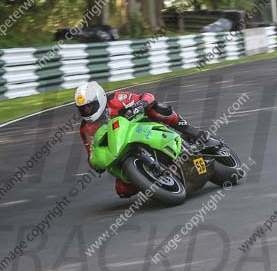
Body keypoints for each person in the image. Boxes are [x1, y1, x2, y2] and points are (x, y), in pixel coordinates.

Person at [74, 81, 206, 198]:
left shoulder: (116, 99)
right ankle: (152, 180)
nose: (86, 111)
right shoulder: (85, 128)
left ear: (100, 99)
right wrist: (96, 163)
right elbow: (91, 151)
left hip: (140, 127)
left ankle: (190, 130)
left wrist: (141, 104)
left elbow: (147, 96)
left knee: (157, 108)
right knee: (123, 190)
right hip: (118, 150)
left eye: (90, 106)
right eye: (82, 109)